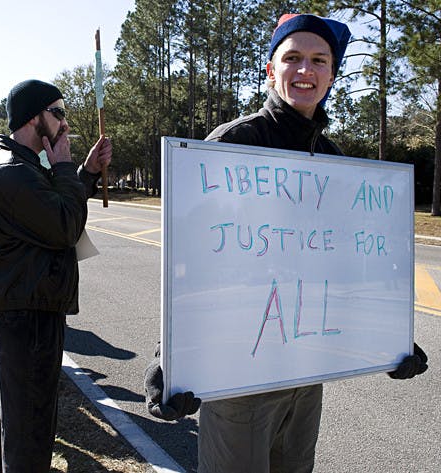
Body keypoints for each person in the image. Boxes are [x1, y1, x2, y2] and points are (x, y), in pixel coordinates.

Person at [144, 14, 429, 473]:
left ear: (331, 76)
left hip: (306, 368)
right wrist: (170, 359)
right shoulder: (233, 143)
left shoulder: (333, 160)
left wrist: (392, 340)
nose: (305, 70)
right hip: (238, 372)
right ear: (271, 70)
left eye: (319, 60)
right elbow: (190, 259)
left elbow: (352, 260)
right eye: (292, 58)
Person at [0, 79, 112, 472]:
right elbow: (64, 224)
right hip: (26, 315)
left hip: (26, 308)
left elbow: (51, 206)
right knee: (29, 426)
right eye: (58, 113)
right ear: (34, 118)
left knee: (21, 419)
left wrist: (84, 171)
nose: (65, 123)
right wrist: (65, 166)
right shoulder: (12, 171)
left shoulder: (22, 165)